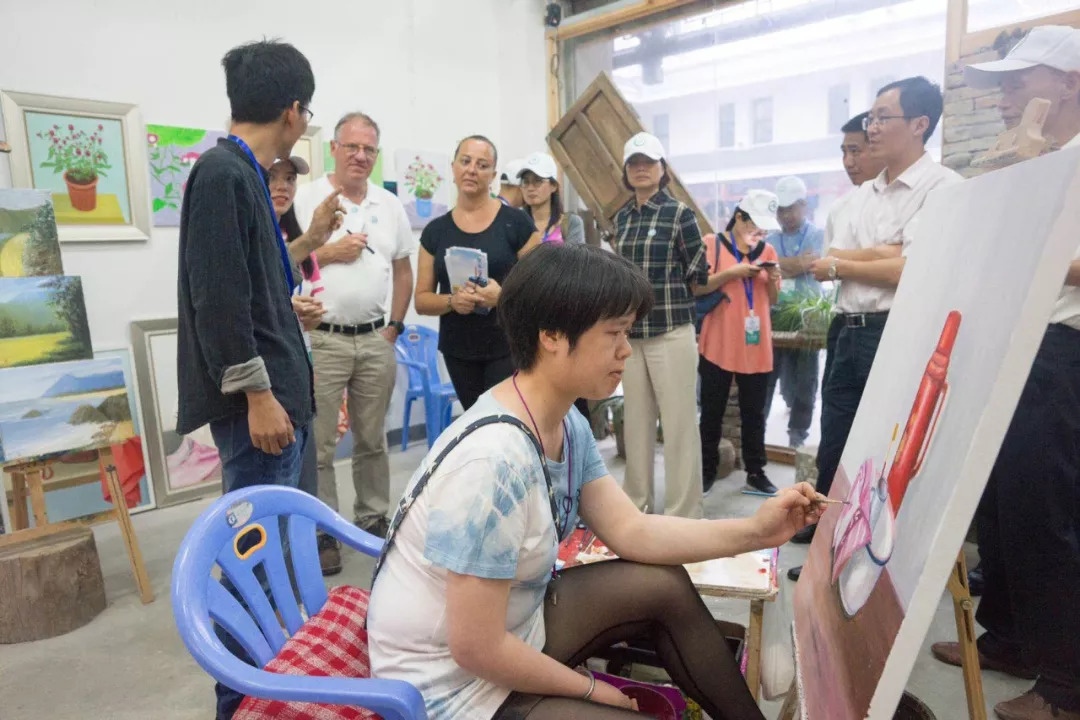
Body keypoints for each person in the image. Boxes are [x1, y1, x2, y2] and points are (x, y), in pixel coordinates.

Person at [368, 241, 827, 720]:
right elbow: (476, 649)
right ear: (550, 334)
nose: (626, 350)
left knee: (662, 585)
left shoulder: (565, 422)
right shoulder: (492, 463)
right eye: (615, 333)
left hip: (511, 623)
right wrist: (589, 688)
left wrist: (756, 531)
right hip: (445, 682)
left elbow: (633, 531)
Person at [928, 27, 1080, 720]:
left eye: (1022, 79)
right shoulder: (1045, 159)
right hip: (1015, 341)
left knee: (1047, 517)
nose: (1007, 94)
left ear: (1069, 83)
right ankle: (1012, 639)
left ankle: (1065, 688)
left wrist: (1030, 238)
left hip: (1059, 349)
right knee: (1002, 507)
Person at [176, 39, 316, 720]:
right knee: (249, 564)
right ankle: (240, 703)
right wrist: (259, 394)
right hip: (261, 411)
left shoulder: (246, 176)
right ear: (292, 112)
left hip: (279, 403)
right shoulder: (222, 175)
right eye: (308, 114)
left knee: (269, 564)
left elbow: (253, 290)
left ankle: (267, 687)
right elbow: (220, 303)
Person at [795, 76, 961, 548]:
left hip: (899, 330)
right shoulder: (860, 198)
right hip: (847, 328)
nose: (871, 128)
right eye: (870, 118)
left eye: (882, 117)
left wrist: (852, 263)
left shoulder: (944, 187)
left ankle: (881, 555)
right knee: (837, 444)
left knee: (889, 448)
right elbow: (828, 265)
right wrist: (879, 256)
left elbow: (911, 270)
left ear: (920, 123)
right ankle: (828, 549)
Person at [292, 112, 415, 572]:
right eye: (352, 147)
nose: (360, 156)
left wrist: (394, 327)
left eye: (369, 150)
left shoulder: (388, 204)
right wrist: (328, 252)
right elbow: (285, 261)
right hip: (322, 339)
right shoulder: (305, 200)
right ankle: (325, 531)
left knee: (372, 440)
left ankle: (373, 518)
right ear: (334, 149)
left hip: (374, 338)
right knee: (320, 445)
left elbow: (403, 266)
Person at [613, 131, 708, 519]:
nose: (640, 169)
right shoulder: (621, 218)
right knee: (635, 425)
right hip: (630, 336)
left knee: (679, 426)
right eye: (634, 163)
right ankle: (636, 508)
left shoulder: (680, 214)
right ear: (625, 170)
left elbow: (697, 274)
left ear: (662, 169)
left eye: (648, 162)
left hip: (671, 332)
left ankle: (684, 515)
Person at [414, 136, 540, 411]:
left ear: (493, 175)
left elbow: (540, 290)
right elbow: (421, 300)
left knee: (505, 423)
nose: (472, 170)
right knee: (477, 425)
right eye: (466, 161)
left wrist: (502, 296)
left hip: (508, 346)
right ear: (454, 168)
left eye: (482, 165)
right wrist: (451, 301)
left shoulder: (516, 223)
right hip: (458, 351)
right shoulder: (435, 231)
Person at [268, 155, 343, 506]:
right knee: (269, 489)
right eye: (273, 177)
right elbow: (253, 297)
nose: (281, 186)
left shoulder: (298, 239)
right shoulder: (254, 236)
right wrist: (286, 309)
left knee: (302, 477)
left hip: (303, 366)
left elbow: (311, 297)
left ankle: (301, 552)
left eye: (289, 179)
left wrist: (308, 316)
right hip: (267, 379)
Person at [697, 192, 782, 495]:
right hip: (718, 341)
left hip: (756, 345)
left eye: (764, 228)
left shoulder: (768, 249)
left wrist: (772, 279)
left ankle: (756, 472)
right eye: (755, 225)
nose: (760, 233)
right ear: (740, 217)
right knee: (711, 410)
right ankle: (706, 469)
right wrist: (734, 272)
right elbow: (699, 286)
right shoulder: (712, 243)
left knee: (754, 412)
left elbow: (772, 300)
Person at [764, 175, 825, 449]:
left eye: (790, 208)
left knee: (805, 378)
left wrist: (783, 264)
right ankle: (758, 427)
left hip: (807, 315)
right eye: (780, 210)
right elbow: (768, 268)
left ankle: (798, 432)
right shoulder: (771, 238)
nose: (785, 215)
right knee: (768, 375)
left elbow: (812, 264)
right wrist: (795, 263)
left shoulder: (817, 234)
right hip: (774, 315)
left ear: (804, 205)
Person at [518, 152, 585, 245]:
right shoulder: (515, 223)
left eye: (538, 181)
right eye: (525, 181)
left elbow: (575, 258)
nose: (530, 188)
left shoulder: (571, 223)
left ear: (553, 186)